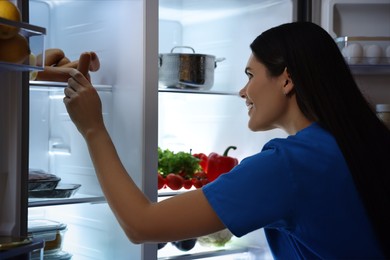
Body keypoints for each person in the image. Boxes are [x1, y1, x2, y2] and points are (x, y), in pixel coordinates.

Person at [63, 21, 390, 259]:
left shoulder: (286, 165)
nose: (243, 91)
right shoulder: (356, 141)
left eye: (250, 76)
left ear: (287, 79)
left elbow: (142, 225)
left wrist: (93, 128)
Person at [34, 48, 100, 82]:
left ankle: (84, 68)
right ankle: (85, 68)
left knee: (60, 54)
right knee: (37, 70)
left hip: (32, 64)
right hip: (30, 74)